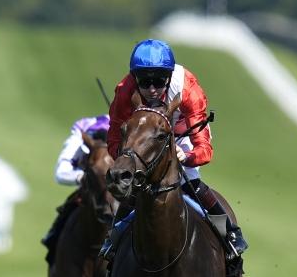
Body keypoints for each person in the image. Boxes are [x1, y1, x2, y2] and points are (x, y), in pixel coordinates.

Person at [100, 38, 248, 261]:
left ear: (169, 77)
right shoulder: (124, 91)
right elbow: (113, 137)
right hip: (144, 140)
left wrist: (187, 156)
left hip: (182, 133)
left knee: (190, 180)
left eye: (159, 81)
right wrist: (127, 160)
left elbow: (205, 149)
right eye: (145, 81)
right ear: (134, 78)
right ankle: (114, 239)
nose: (152, 89)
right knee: (133, 191)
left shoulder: (187, 87)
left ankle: (230, 233)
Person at [41, 114, 109, 264]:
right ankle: (53, 246)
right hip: (88, 192)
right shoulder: (78, 138)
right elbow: (61, 173)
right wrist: (86, 178)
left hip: (119, 191)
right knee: (67, 211)